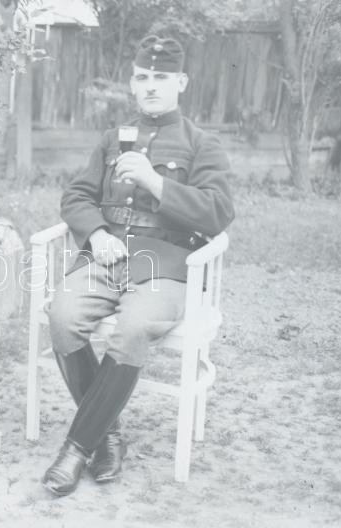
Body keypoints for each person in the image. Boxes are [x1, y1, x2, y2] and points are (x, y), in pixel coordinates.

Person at [42, 35, 235, 496]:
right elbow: (77, 196)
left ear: (180, 83)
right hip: (108, 255)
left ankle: (76, 448)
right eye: (143, 77)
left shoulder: (201, 144)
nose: (151, 86)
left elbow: (218, 212)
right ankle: (107, 436)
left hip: (166, 264)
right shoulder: (112, 139)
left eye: (161, 77)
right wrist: (97, 234)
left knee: (132, 328)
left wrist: (154, 181)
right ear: (131, 83)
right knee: (63, 317)